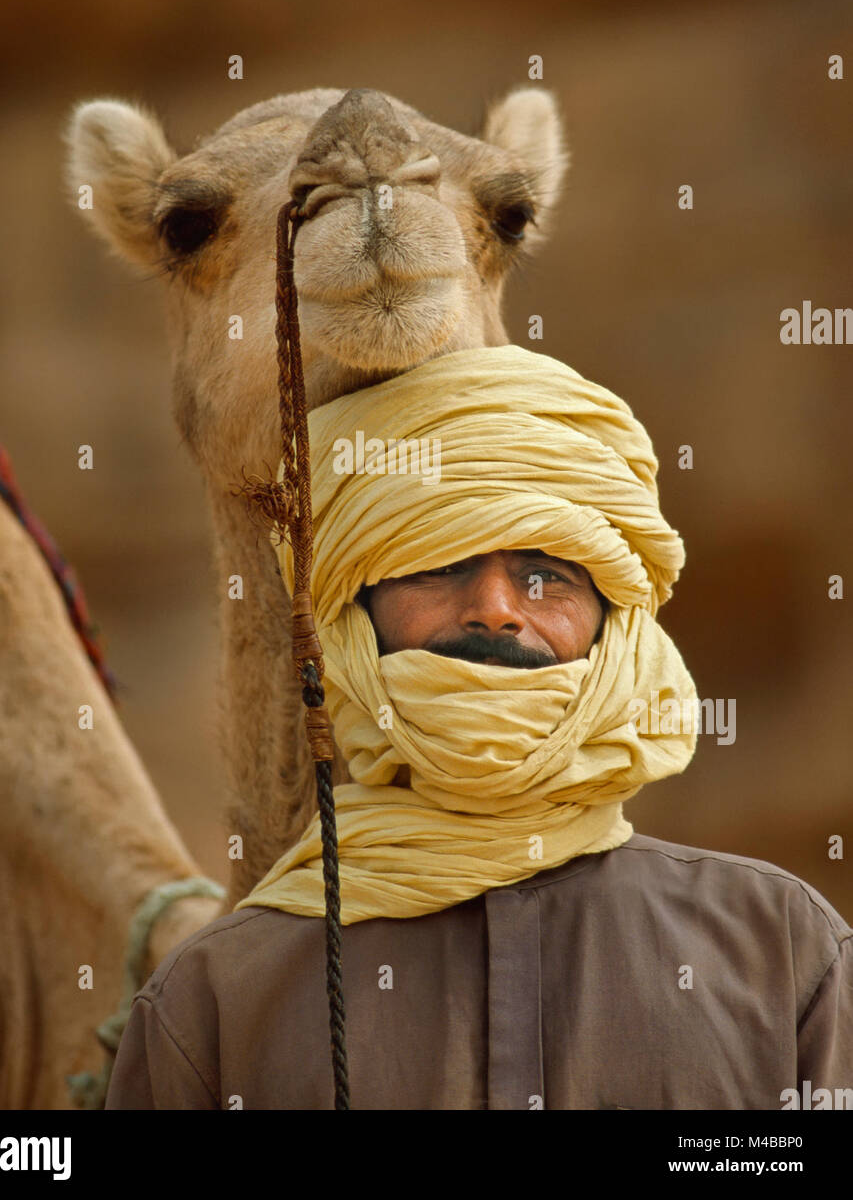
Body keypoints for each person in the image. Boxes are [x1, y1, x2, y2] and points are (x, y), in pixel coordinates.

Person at [105, 346, 852, 1110]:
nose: (495, 606)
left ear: (616, 627)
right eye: (436, 566)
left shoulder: (782, 952)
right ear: (349, 623)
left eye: (545, 576)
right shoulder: (217, 1004)